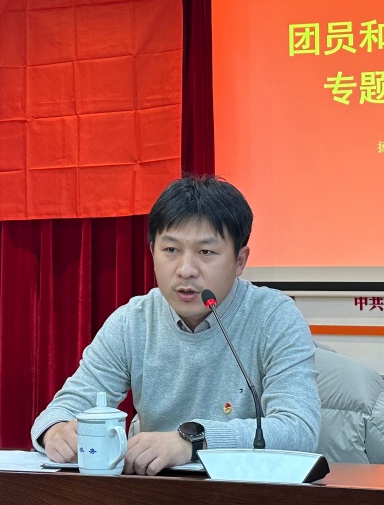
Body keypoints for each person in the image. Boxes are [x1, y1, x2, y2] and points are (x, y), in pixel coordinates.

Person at [30, 175, 321, 475]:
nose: (186, 270)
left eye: (206, 252)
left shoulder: (274, 318)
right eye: (171, 250)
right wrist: (56, 432)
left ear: (239, 261)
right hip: (154, 489)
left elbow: (298, 429)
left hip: (242, 490)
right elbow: (65, 407)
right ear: (152, 252)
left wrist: (192, 442)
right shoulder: (133, 321)